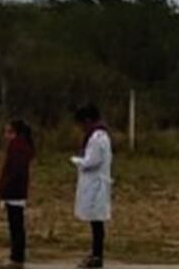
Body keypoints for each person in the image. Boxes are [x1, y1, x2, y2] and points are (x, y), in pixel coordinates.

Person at [70, 104, 112, 269]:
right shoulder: (100, 136)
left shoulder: (97, 137)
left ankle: (97, 255)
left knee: (97, 222)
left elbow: (92, 162)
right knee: (95, 221)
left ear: (87, 121)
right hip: (96, 184)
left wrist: (77, 161)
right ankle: (95, 254)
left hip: (96, 185)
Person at [0, 119, 36, 269]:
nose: (5, 135)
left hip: (14, 191)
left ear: (15, 133)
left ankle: (17, 258)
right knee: (16, 225)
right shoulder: (21, 146)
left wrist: (4, 188)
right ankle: (16, 257)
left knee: (16, 226)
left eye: (8, 132)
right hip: (18, 191)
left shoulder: (17, 147)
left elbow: (15, 171)